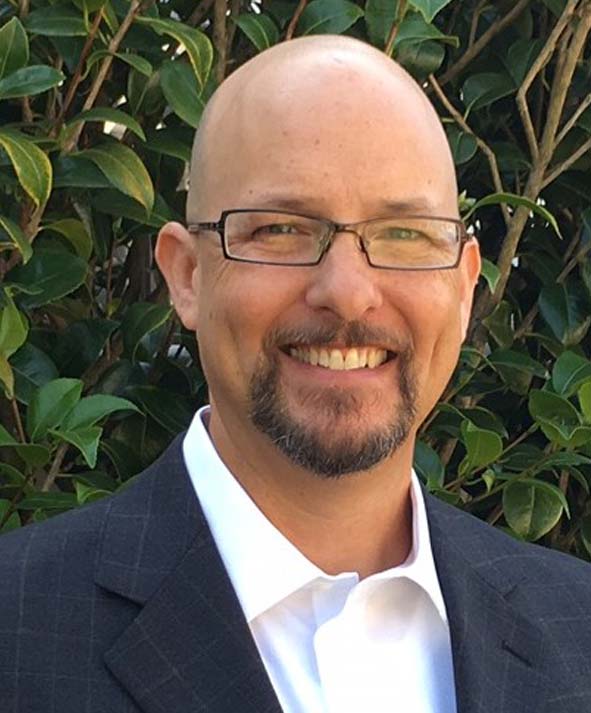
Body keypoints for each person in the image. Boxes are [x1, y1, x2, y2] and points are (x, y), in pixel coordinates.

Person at [0, 35, 590, 713]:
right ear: (187, 275)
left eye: (404, 233)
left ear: (462, 290)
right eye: (280, 229)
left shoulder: (577, 631)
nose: (346, 292)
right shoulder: (16, 631)